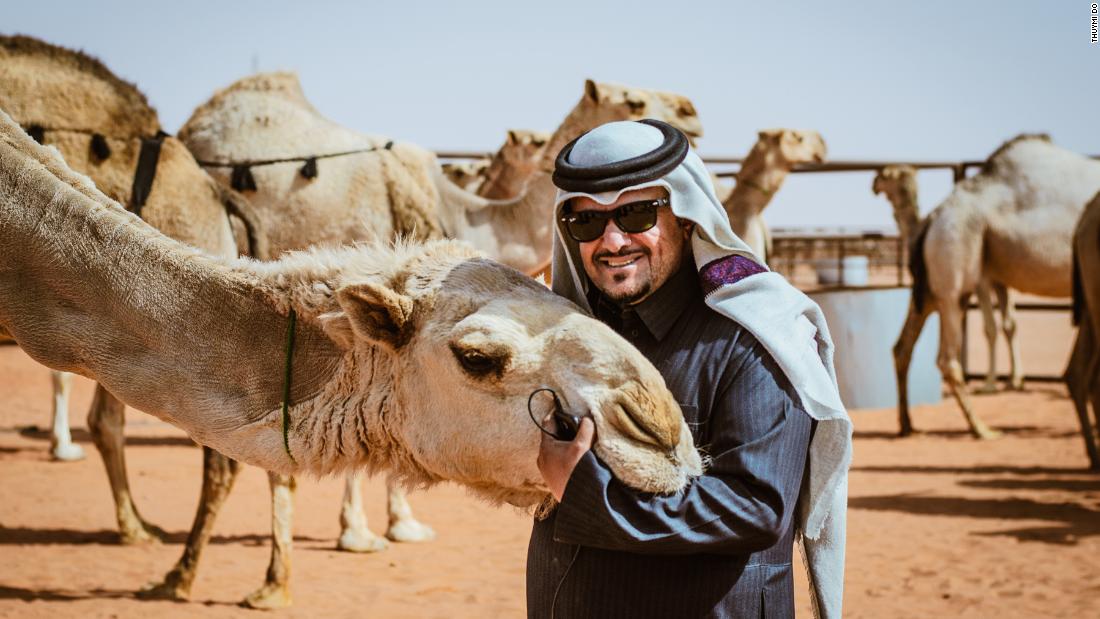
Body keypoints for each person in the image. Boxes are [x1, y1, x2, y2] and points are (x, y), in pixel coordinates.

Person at [529, 119, 851, 619]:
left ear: (684, 217)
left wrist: (585, 494)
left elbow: (754, 507)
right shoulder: (570, 337)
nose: (612, 242)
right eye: (588, 223)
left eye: (636, 214)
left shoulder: (756, 334)